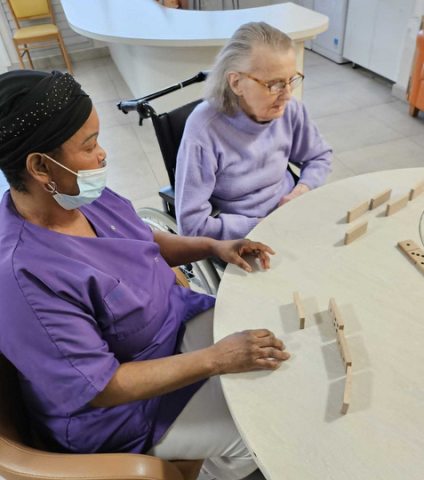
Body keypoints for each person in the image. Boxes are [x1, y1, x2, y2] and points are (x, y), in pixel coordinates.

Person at [0, 69, 290, 480]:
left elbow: (141, 242)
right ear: (40, 167)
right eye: (89, 145)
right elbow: (102, 387)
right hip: (125, 411)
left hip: (173, 331)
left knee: (278, 348)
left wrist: (211, 246)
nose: (102, 155)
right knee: (263, 431)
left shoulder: (78, 196)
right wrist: (216, 359)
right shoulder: (25, 277)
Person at [175, 22, 332, 240]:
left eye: (291, 80)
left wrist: (301, 190)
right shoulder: (204, 130)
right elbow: (191, 225)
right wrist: (261, 226)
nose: (287, 95)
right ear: (236, 82)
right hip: (241, 234)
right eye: (275, 84)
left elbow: (319, 156)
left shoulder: (290, 109)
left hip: (290, 212)